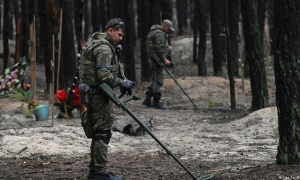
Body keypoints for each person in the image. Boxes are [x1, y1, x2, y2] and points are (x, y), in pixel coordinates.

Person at [79, 18, 135, 180]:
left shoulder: (96, 42)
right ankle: (101, 173)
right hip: (98, 96)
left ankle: (94, 171)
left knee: (99, 133)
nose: (120, 38)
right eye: (119, 35)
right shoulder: (104, 48)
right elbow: (103, 75)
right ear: (109, 31)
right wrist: (121, 82)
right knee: (103, 133)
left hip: (93, 94)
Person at [142, 19, 175, 109]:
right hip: (156, 60)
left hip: (153, 59)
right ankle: (156, 102)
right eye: (168, 29)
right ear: (165, 26)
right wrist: (165, 60)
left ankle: (147, 99)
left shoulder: (155, 32)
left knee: (154, 79)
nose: (169, 31)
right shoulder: (160, 34)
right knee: (159, 80)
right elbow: (158, 49)